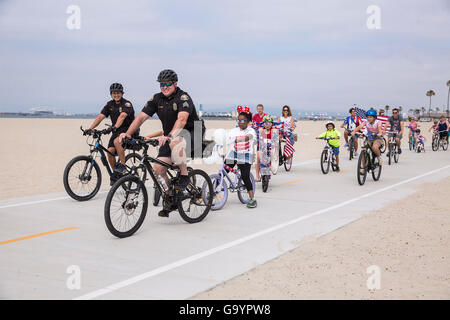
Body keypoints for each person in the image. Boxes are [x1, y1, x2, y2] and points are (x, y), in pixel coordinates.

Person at [119, 69, 202, 217]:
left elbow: (181, 120)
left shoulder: (183, 97)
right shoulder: (157, 99)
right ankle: (171, 198)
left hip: (192, 133)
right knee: (158, 168)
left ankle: (184, 175)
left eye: (168, 84)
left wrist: (169, 135)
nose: (164, 87)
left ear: (175, 84)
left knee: (175, 141)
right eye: (162, 84)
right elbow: (140, 118)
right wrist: (128, 133)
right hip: (170, 138)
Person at [87, 83, 136, 184]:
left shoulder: (127, 104)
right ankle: (117, 175)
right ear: (111, 94)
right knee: (109, 151)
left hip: (128, 130)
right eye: (114, 93)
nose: (116, 95)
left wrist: (114, 127)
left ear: (122, 93)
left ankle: (122, 166)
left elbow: (122, 116)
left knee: (116, 142)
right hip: (116, 131)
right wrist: (91, 128)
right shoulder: (109, 104)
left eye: (118, 93)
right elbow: (101, 116)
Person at [225, 106, 257, 208]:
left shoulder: (251, 130)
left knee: (245, 175)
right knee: (224, 170)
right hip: (234, 153)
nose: (240, 122)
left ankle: (252, 198)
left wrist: (240, 139)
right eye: (238, 120)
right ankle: (212, 192)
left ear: (248, 121)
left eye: (243, 120)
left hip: (246, 155)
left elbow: (249, 137)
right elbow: (227, 137)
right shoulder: (234, 130)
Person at [252, 104, 266, 182]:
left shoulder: (266, 116)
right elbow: (252, 125)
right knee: (257, 158)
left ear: (263, 109)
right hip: (257, 139)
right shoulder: (255, 116)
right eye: (258, 109)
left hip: (265, 138)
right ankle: (257, 176)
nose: (259, 110)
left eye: (261, 109)